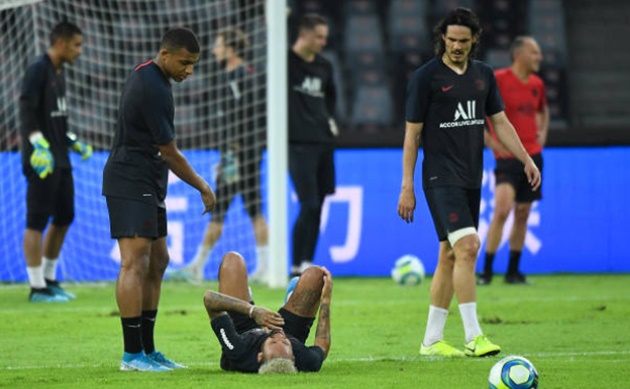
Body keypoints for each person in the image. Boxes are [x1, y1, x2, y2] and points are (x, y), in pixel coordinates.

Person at [397, 8, 541, 357]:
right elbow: (412, 136)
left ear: (474, 40)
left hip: (470, 177)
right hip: (439, 177)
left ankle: (431, 341)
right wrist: (406, 185)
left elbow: (501, 123)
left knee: (449, 254)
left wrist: (525, 159)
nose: (457, 46)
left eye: (463, 40)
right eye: (451, 39)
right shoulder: (426, 77)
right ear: (442, 39)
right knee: (469, 246)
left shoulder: (484, 76)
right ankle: (474, 335)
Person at [102, 27, 217, 372]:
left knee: (158, 261)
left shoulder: (154, 79)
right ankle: (132, 354)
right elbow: (170, 152)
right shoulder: (152, 87)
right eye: (185, 62)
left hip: (148, 182)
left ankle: (149, 350)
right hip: (129, 179)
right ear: (165, 54)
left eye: (194, 64)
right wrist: (202, 186)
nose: (189, 70)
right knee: (133, 263)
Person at [168, 28, 268, 283]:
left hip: (240, 154)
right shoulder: (229, 77)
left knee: (229, 209)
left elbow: (248, 118)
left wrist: (234, 153)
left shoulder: (242, 77)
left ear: (231, 48)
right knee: (247, 209)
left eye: (219, 45)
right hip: (235, 154)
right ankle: (262, 265)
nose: (214, 50)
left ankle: (198, 267)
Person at [19, 21, 92, 303]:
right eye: (77, 44)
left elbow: (55, 118)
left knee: (65, 216)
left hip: (60, 157)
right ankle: (37, 287)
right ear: (60, 43)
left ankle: (49, 280)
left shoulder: (59, 73)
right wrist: (37, 142)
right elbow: (26, 110)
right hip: (42, 159)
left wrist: (72, 140)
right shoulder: (38, 69)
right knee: (36, 220)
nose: (80, 51)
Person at [477, 36, 549, 285]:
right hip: (507, 158)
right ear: (518, 55)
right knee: (503, 209)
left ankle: (513, 272)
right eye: (535, 52)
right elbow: (477, 111)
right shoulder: (498, 80)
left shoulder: (537, 84)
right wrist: (492, 142)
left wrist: (542, 133)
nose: (539, 57)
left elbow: (542, 110)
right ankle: (486, 271)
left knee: (522, 213)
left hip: (533, 156)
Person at [204, 251, 332, 373]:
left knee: (232, 261)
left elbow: (209, 299)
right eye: (285, 342)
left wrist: (252, 310)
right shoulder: (303, 358)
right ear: (293, 358)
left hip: (242, 329)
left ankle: (243, 296)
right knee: (317, 276)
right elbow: (322, 347)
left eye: (272, 341)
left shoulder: (239, 351)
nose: (278, 335)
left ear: (260, 356)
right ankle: (291, 297)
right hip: (289, 330)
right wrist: (326, 300)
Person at [288, 14, 338, 277]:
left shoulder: (324, 66)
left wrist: (327, 122)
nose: (323, 42)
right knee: (308, 203)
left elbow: (331, 98)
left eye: (324, 36)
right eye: (318, 36)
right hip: (296, 143)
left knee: (319, 203)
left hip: (323, 142)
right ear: (304, 34)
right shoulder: (284, 63)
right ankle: (296, 265)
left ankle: (307, 261)